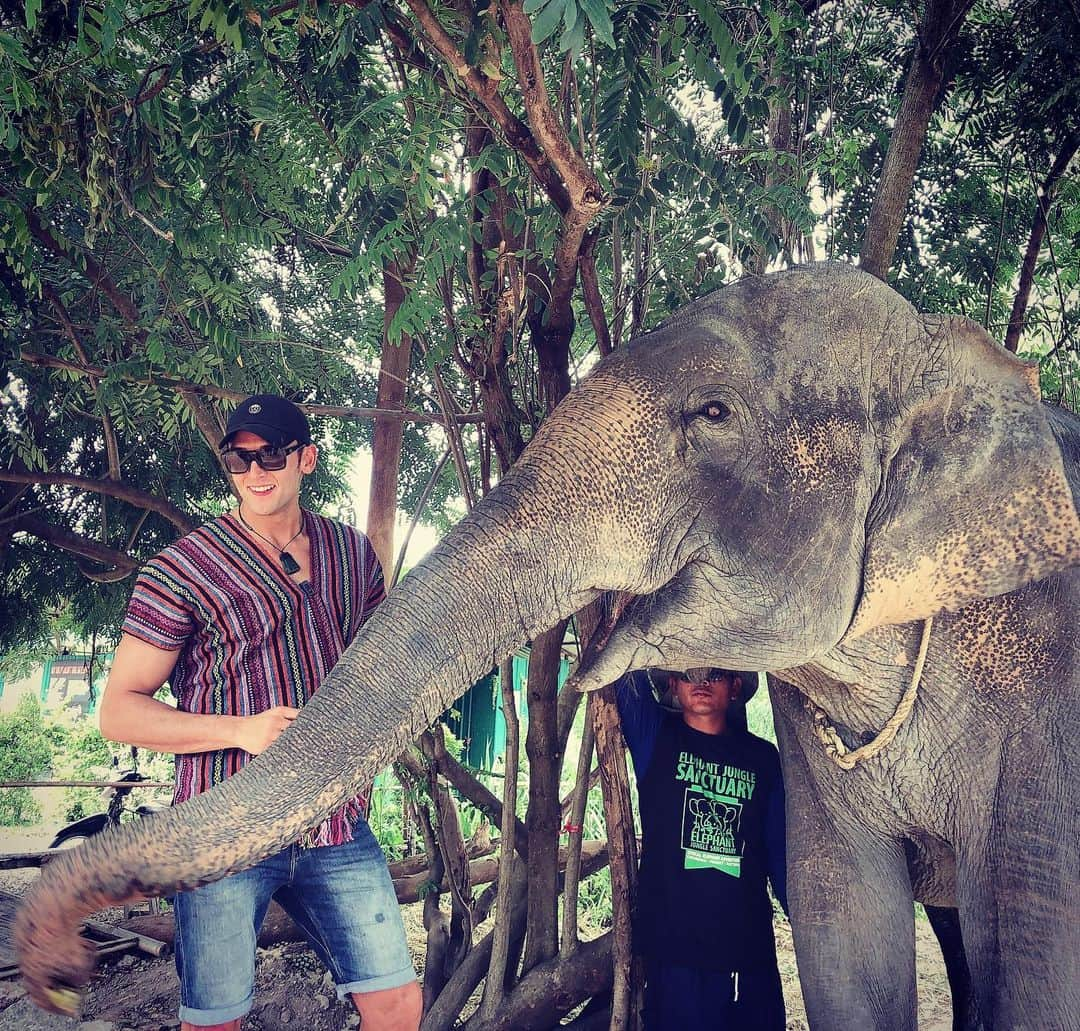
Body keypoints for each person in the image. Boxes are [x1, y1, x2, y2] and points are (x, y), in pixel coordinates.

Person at [99, 394, 422, 1031]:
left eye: (269, 454)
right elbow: (118, 711)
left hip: (333, 823)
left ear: (307, 459)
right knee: (216, 1019)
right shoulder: (182, 570)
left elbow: (380, 664)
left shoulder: (351, 556)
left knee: (396, 1002)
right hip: (225, 830)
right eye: (239, 460)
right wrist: (240, 730)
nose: (255, 472)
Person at [616, 667, 787, 1031]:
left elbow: (779, 852)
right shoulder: (655, 739)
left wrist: (803, 920)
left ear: (736, 687)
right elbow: (625, 674)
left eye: (716, 674)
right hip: (677, 948)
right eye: (687, 673)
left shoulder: (763, 759)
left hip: (746, 945)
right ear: (674, 686)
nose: (702, 682)